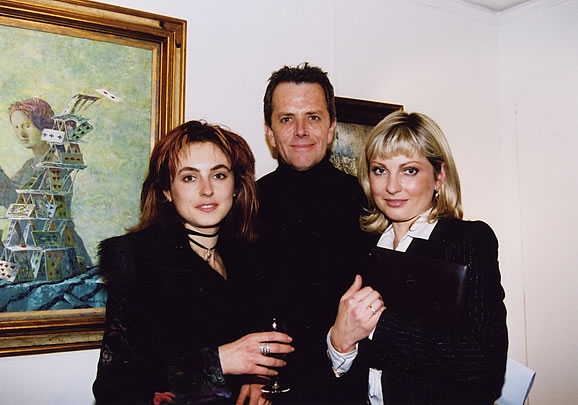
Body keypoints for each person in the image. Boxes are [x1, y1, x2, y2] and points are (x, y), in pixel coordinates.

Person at [92, 120, 294, 405]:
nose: (207, 190)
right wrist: (219, 361)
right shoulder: (136, 259)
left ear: (236, 187)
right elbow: (115, 389)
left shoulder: (251, 259)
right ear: (166, 190)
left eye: (219, 175)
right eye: (189, 178)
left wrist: (255, 377)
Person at [328, 111, 509, 404]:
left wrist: (379, 325)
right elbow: (349, 366)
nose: (392, 186)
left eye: (409, 170)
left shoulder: (466, 241)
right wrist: (339, 344)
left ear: (439, 176)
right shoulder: (362, 245)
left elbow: (485, 364)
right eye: (380, 170)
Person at [255, 63, 373, 404]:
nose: (301, 131)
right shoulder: (245, 205)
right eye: (286, 119)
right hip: (267, 389)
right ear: (270, 132)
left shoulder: (367, 203)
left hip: (346, 389)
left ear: (331, 127)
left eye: (313, 117)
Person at [1, 98, 52, 208]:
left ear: (44, 127)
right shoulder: (29, 165)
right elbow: (11, 194)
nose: (21, 134)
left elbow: (26, 204)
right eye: (16, 127)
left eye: (27, 126)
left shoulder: (54, 167)